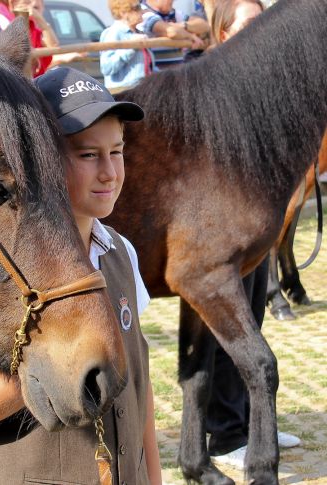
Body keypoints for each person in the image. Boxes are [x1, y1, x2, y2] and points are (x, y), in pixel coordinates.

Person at [0, 67, 162, 485]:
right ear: (42, 159)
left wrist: (151, 476)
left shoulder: (122, 252)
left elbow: (141, 385)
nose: (110, 172)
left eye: (116, 151)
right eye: (87, 155)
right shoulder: (2, 267)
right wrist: (69, 354)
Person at [204, 0, 301, 469]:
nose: (257, 31)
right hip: (221, 228)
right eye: (246, 24)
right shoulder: (208, 83)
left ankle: (252, 424)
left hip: (257, 220)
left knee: (254, 324)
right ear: (223, 33)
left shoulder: (262, 83)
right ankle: (225, 436)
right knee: (233, 332)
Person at [99, 0, 154, 90]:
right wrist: (131, 48)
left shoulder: (139, 33)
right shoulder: (113, 33)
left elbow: (148, 67)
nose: (142, 11)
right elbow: (107, 67)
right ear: (123, 13)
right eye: (137, 8)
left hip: (141, 90)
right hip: (123, 93)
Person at [0, 0, 55, 77]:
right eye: (27, 2)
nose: (31, 6)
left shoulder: (31, 22)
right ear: (12, 3)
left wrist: (39, 18)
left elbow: (53, 46)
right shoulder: (1, 17)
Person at [139, 0, 209, 68]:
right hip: (155, 75)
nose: (173, 1)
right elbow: (171, 32)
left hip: (175, 73)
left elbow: (204, 26)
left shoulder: (174, 13)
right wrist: (191, 36)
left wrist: (182, 25)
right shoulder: (142, 13)